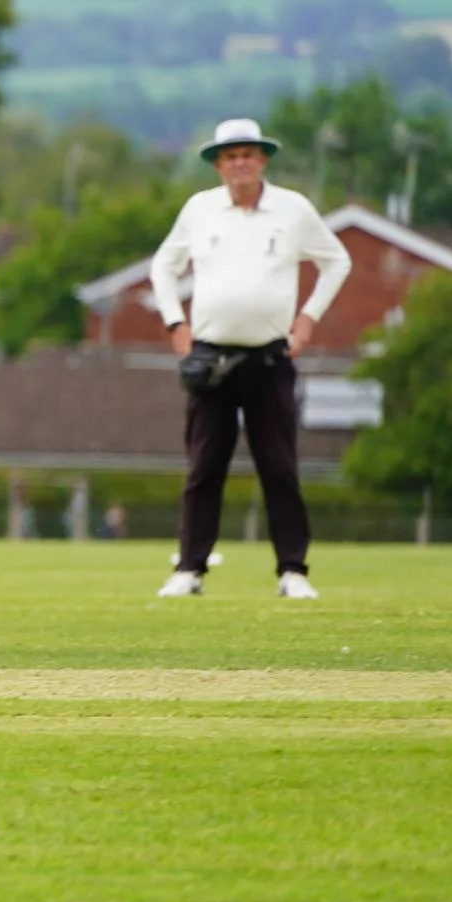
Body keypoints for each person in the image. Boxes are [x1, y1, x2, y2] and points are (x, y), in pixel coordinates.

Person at [150, 118, 351, 600]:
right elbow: (164, 265)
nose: (239, 162)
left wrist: (307, 321)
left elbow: (336, 261)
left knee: (279, 466)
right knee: (204, 467)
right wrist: (177, 324)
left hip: (269, 357)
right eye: (230, 155)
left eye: (248, 153)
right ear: (218, 164)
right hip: (210, 357)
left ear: (262, 159)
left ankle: (292, 571)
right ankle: (190, 568)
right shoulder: (200, 210)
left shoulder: (293, 210)